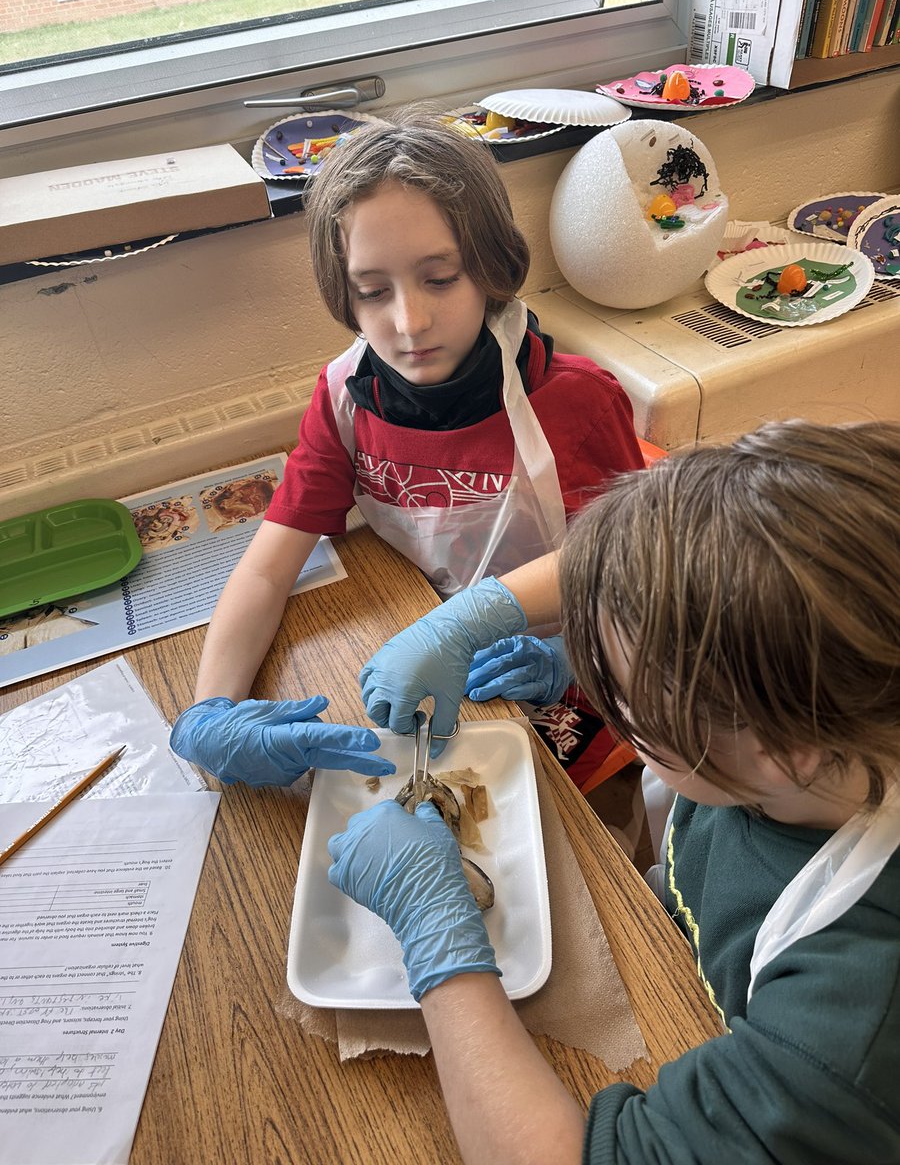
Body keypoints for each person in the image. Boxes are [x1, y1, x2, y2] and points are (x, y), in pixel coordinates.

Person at [328, 420, 900, 1163]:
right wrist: (488, 630)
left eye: (622, 695)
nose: (599, 693)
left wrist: (435, 934)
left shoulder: (847, 1030)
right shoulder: (826, 701)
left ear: (778, 748)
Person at [170, 106, 644, 787]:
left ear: (489, 268)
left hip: (567, 669)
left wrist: (565, 659)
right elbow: (269, 570)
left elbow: (632, 569)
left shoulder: (575, 402)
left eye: (440, 279)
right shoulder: (345, 400)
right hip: (431, 663)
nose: (408, 322)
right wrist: (209, 710)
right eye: (372, 291)